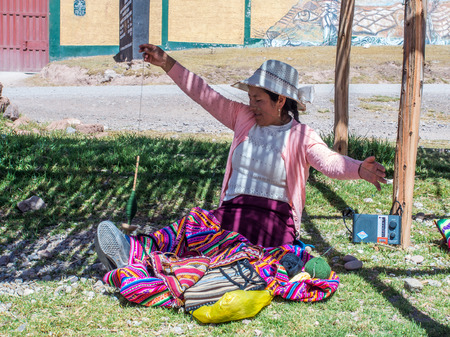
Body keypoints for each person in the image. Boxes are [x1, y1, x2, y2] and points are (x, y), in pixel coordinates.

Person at [96, 44, 387, 269]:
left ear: (280, 101)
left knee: (231, 249)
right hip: (231, 212)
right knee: (190, 228)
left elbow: (328, 162)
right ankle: (132, 251)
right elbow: (203, 93)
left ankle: (155, 264)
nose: (252, 105)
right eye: (250, 98)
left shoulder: (301, 135)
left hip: (274, 221)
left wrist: (360, 169)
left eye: (258, 100)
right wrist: (166, 63)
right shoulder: (242, 117)